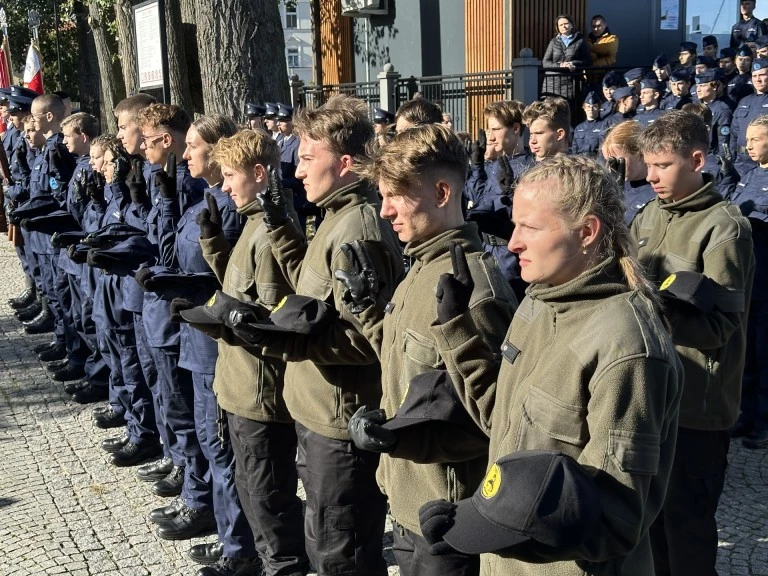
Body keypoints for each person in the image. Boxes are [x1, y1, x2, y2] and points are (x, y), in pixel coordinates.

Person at [419, 154, 684, 576]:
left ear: (587, 232)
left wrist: (495, 532)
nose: (512, 243)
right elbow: (501, 421)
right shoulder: (540, 302)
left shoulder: (627, 347)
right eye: (515, 223)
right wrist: (457, 331)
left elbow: (614, 525)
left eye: (530, 227)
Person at [242, 94, 404, 576]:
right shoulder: (335, 217)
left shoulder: (358, 228)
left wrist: (287, 341)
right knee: (326, 546)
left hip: (341, 426)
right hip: (317, 417)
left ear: (347, 163)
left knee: (343, 556)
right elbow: (310, 291)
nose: (297, 170)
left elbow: (372, 340)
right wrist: (280, 229)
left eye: (308, 158)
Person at [345, 122, 517, 576]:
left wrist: (404, 437)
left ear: (442, 192)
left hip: (446, 517)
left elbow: (498, 421)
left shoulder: (474, 287)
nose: (384, 212)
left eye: (394, 196)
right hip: (407, 501)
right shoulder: (422, 267)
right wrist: (368, 310)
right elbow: (408, 369)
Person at [631, 110, 754, 576]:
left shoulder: (725, 228)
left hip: (697, 408)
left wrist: (654, 311)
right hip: (652, 395)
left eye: (663, 165)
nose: (652, 175)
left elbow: (722, 327)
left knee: (687, 533)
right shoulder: (649, 214)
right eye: (648, 164)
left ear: (697, 159)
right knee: (652, 525)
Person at [464, 100, 533, 299]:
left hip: (509, 254)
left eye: (496, 129)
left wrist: (511, 193)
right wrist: (477, 167)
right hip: (485, 248)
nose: (491, 136)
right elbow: (475, 201)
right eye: (489, 129)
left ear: (516, 128)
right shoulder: (493, 164)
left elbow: (526, 215)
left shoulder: (529, 167)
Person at [730, 114, 768, 449]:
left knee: (765, 350)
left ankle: (764, 421)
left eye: (756, 139)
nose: (748, 145)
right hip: (750, 277)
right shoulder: (749, 174)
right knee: (750, 352)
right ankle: (747, 414)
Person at [600, 120, 655, 224]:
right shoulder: (613, 187)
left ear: (640, 154)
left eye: (619, 162)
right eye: (609, 162)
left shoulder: (658, 189)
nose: (613, 168)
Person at [731, 57, 768, 175]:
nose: (758, 80)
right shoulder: (744, 102)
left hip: (763, 161)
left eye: (762, 75)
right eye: (754, 76)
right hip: (741, 161)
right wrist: (731, 157)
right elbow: (734, 132)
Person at [541, 14, 591, 99]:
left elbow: (588, 61)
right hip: (552, 83)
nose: (563, 26)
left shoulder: (580, 41)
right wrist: (560, 65)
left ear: (571, 25)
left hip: (570, 83)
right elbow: (545, 62)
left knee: (568, 109)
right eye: (560, 25)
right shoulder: (553, 42)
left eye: (566, 23)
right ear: (558, 28)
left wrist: (573, 64)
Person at [696, 69, 733, 156]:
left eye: (702, 86)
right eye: (697, 86)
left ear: (714, 87)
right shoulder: (696, 107)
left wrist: (722, 160)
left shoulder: (722, 109)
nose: (698, 89)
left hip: (712, 158)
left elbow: (723, 140)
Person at [522, 96, 570, 161]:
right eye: (531, 135)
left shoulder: (578, 169)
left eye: (539, 133)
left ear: (560, 134)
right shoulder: (527, 165)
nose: (532, 141)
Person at [570, 91, 603, 156]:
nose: (591, 109)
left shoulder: (603, 126)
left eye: (594, 106)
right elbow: (574, 149)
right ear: (584, 108)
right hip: (580, 161)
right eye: (588, 106)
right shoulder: (579, 128)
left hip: (595, 161)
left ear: (599, 108)